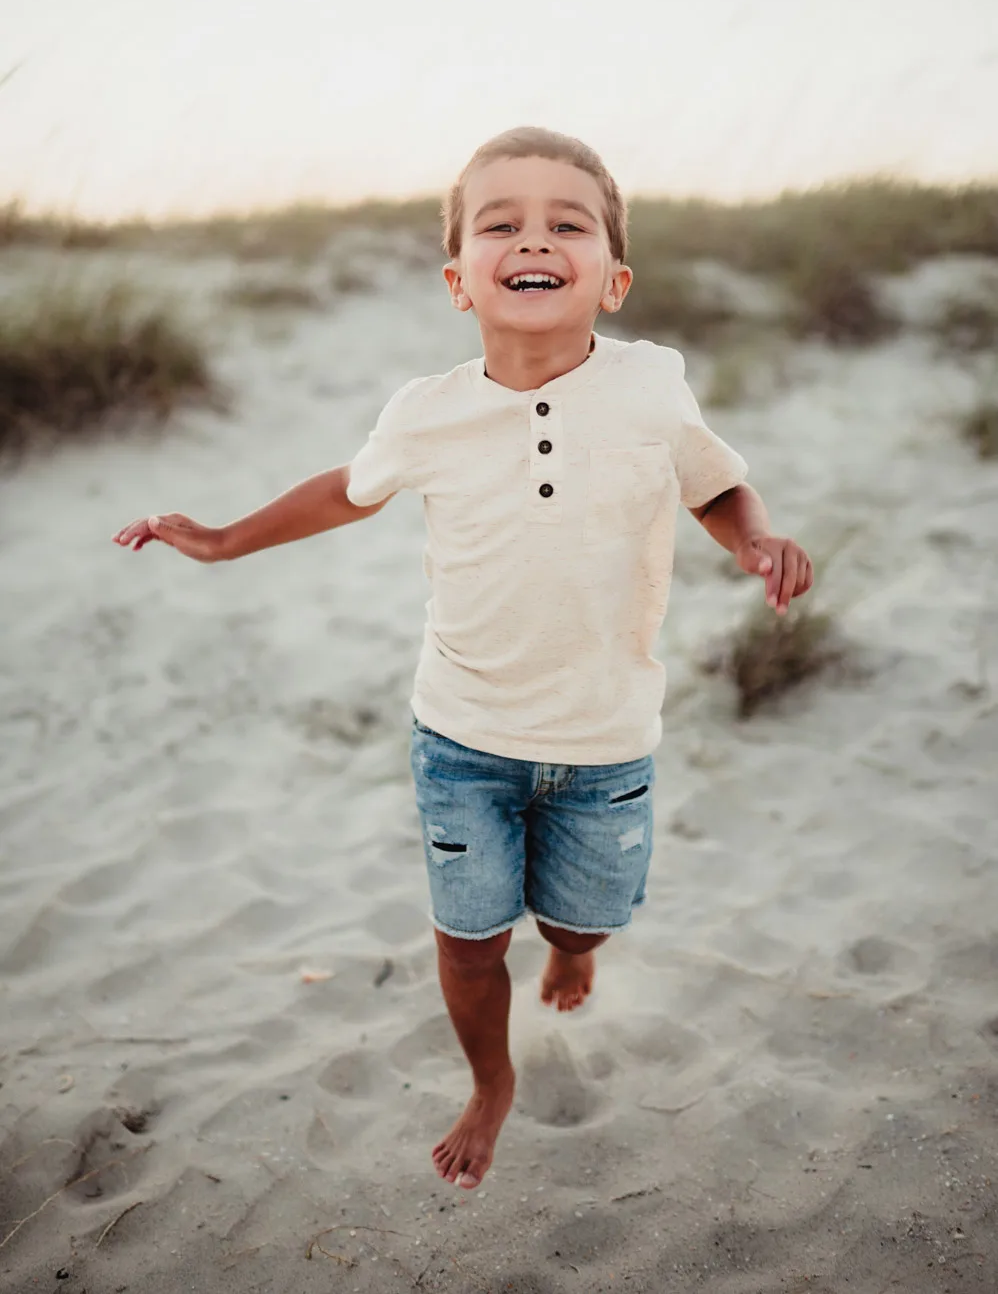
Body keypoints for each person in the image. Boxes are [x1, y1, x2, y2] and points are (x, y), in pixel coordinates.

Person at [113, 126, 813, 1192]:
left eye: (565, 223)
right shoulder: (427, 412)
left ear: (612, 279)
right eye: (501, 223)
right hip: (461, 738)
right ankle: (490, 1083)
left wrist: (752, 537)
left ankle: (574, 951)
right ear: (458, 281)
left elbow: (711, 483)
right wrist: (217, 538)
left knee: (581, 918)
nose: (533, 238)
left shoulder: (649, 386)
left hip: (603, 739)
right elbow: (344, 490)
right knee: (469, 943)